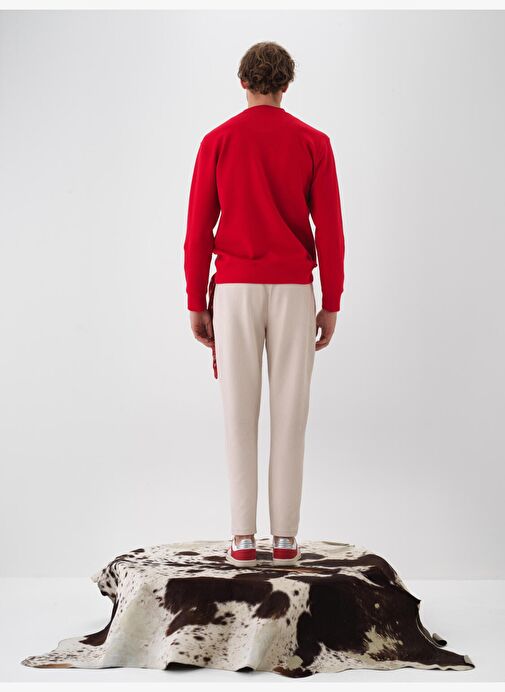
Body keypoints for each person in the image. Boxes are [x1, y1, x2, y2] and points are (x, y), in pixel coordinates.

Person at [183, 41, 345, 568]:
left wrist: (195, 299)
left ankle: (242, 539)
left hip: (234, 290)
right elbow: (331, 229)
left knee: (239, 412)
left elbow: (198, 229)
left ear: (243, 83)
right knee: (291, 413)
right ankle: (285, 540)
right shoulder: (314, 143)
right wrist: (332, 300)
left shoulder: (217, 141)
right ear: (286, 85)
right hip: (294, 291)